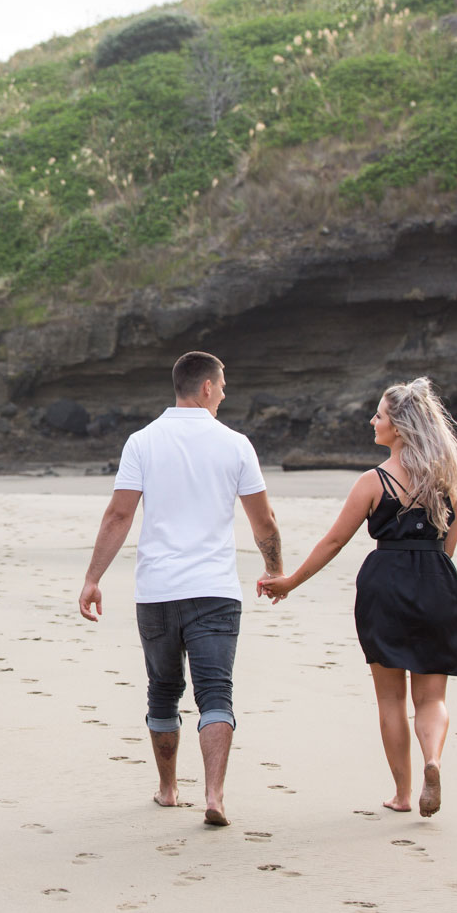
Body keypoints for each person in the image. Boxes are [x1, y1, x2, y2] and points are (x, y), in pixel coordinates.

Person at [78, 351, 283, 828]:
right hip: (214, 590)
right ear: (206, 387)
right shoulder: (236, 445)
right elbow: (263, 520)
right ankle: (214, 795)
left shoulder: (142, 442)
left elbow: (119, 514)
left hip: (157, 590)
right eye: (223, 384)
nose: (226, 392)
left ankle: (169, 789)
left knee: (163, 691)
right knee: (216, 692)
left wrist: (93, 578)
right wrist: (274, 570)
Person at [260, 377, 457, 818]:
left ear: (399, 426)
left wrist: (290, 581)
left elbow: (334, 542)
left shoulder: (373, 482)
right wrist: (431, 573)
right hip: (437, 584)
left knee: (390, 698)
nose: (373, 421)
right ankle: (433, 759)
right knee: (431, 699)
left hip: (385, 587)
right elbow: (451, 538)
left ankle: (404, 794)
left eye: (379, 415)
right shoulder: (444, 482)